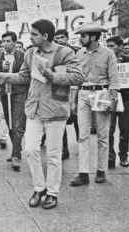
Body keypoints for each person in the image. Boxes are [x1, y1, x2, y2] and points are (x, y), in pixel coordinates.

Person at [0, 20, 84, 209]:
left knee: (53, 155)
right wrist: (1, 76)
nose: (30, 38)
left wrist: (52, 75)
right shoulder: (31, 52)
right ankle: (39, 188)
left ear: (45, 36)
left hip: (55, 109)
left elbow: (78, 77)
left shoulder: (65, 53)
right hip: (34, 108)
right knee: (31, 150)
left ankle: (52, 193)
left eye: (34, 34)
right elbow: (23, 77)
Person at [70, 23, 119, 187]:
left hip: (102, 93)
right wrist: (73, 100)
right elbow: (75, 77)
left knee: (102, 135)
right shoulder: (79, 53)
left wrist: (113, 99)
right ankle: (83, 173)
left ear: (93, 37)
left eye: (83, 36)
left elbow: (114, 79)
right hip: (83, 93)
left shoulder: (108, 53)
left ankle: (101, 170)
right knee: (82, 134)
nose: (80, 39)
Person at [0, 31, 27, 171]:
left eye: (8, 41)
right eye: (4, 41)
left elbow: (26, 75)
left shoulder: (22, 56)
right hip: (5, 93)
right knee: (9, 122)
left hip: (19, 93)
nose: (5, 44)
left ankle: (17, 156)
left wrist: (10, 74)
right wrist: (1, 74)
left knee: (18, 124)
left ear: (14, 42)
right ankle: (15, 150)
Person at [106, 36, 129, 168]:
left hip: (126, 99)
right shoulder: (104, 60)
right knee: (109, 130)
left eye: (112, 46)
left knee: (125, 129)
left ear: (119, 46)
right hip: (109, 98)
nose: (109, 48)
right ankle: (110, 157)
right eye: (107, 46)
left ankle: (123, 155)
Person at [53, 29, 79, 160]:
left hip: (75, 89)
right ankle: (64, 149)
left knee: (77, 119)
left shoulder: (76, 51)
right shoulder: (54, 53)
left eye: (62, 37)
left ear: (67, 38)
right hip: (60, 89)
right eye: (56, 38)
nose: (59, 40)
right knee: (61, 120)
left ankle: (82, 143)